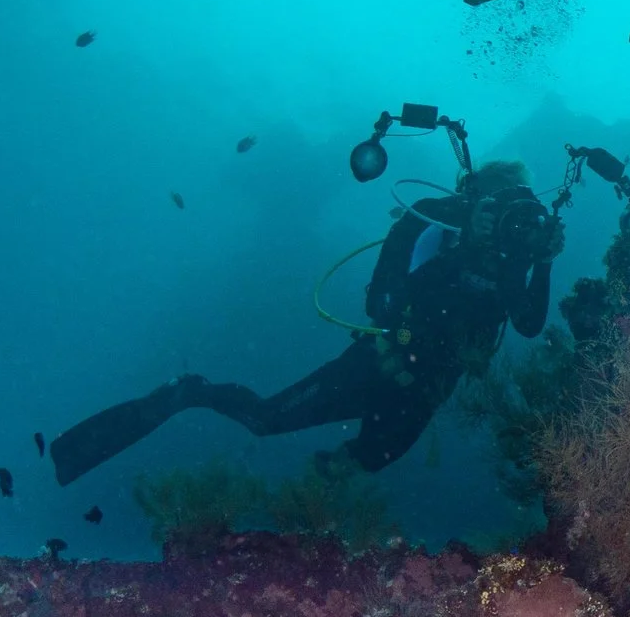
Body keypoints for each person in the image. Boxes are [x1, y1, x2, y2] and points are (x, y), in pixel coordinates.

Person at [51, 161, 561, 484]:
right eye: (500, 201)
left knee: (356, 466)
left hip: (426, 391)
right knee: (266, 420)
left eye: (523, 206)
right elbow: (382, 307)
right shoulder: (437, 224)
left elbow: (529, 324)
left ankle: (301, 529)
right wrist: (463, 247)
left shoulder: (516, 256)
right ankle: (189, 391)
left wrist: (543, 261)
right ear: (475, 198)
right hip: (378, 364)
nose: (512, 216)